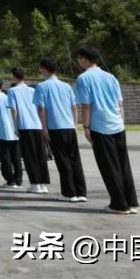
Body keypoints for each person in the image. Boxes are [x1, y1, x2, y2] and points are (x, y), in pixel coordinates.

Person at [75, 46, 138, 215]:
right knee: (123, 164)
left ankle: (118, 204)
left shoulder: (83, 78)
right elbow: (120, 104)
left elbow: (86, 106)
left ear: (85, 59)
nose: (78, 61)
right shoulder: (111, 77)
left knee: (109, 166)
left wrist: (86, 127)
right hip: (117, 124)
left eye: (79, 58)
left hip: (100, 126)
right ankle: (131, 202)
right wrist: (121, 122)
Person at [35, 57, 87, 203]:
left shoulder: (42, 87)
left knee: (62, 160)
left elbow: (41, 109)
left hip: (55, 127)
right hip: (70, 126)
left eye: (40, 68)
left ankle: (69, 193)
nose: (39, 71)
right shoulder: (66, 86)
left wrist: (44, 127)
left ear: (45, 69)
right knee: (75, 159)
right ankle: (81, 192)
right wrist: (75, 125)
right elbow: (74, 107)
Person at [9, 67, 49, 194]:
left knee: (29, 155)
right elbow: (40, 107)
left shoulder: (12, 91)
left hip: (25, 126)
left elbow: (14, 110)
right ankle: (43, 184)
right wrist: (43, 125)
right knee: (40, 155)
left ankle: (35, 184)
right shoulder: (33, 90)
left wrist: (15, 127)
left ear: (13, 77)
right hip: (37, 125)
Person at [0, 78, 23, 190]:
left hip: (1, 131)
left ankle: (10, 180)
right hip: (14, 131)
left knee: (5, 157)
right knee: (16, 157)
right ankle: (18, 179)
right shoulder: (9, 97)